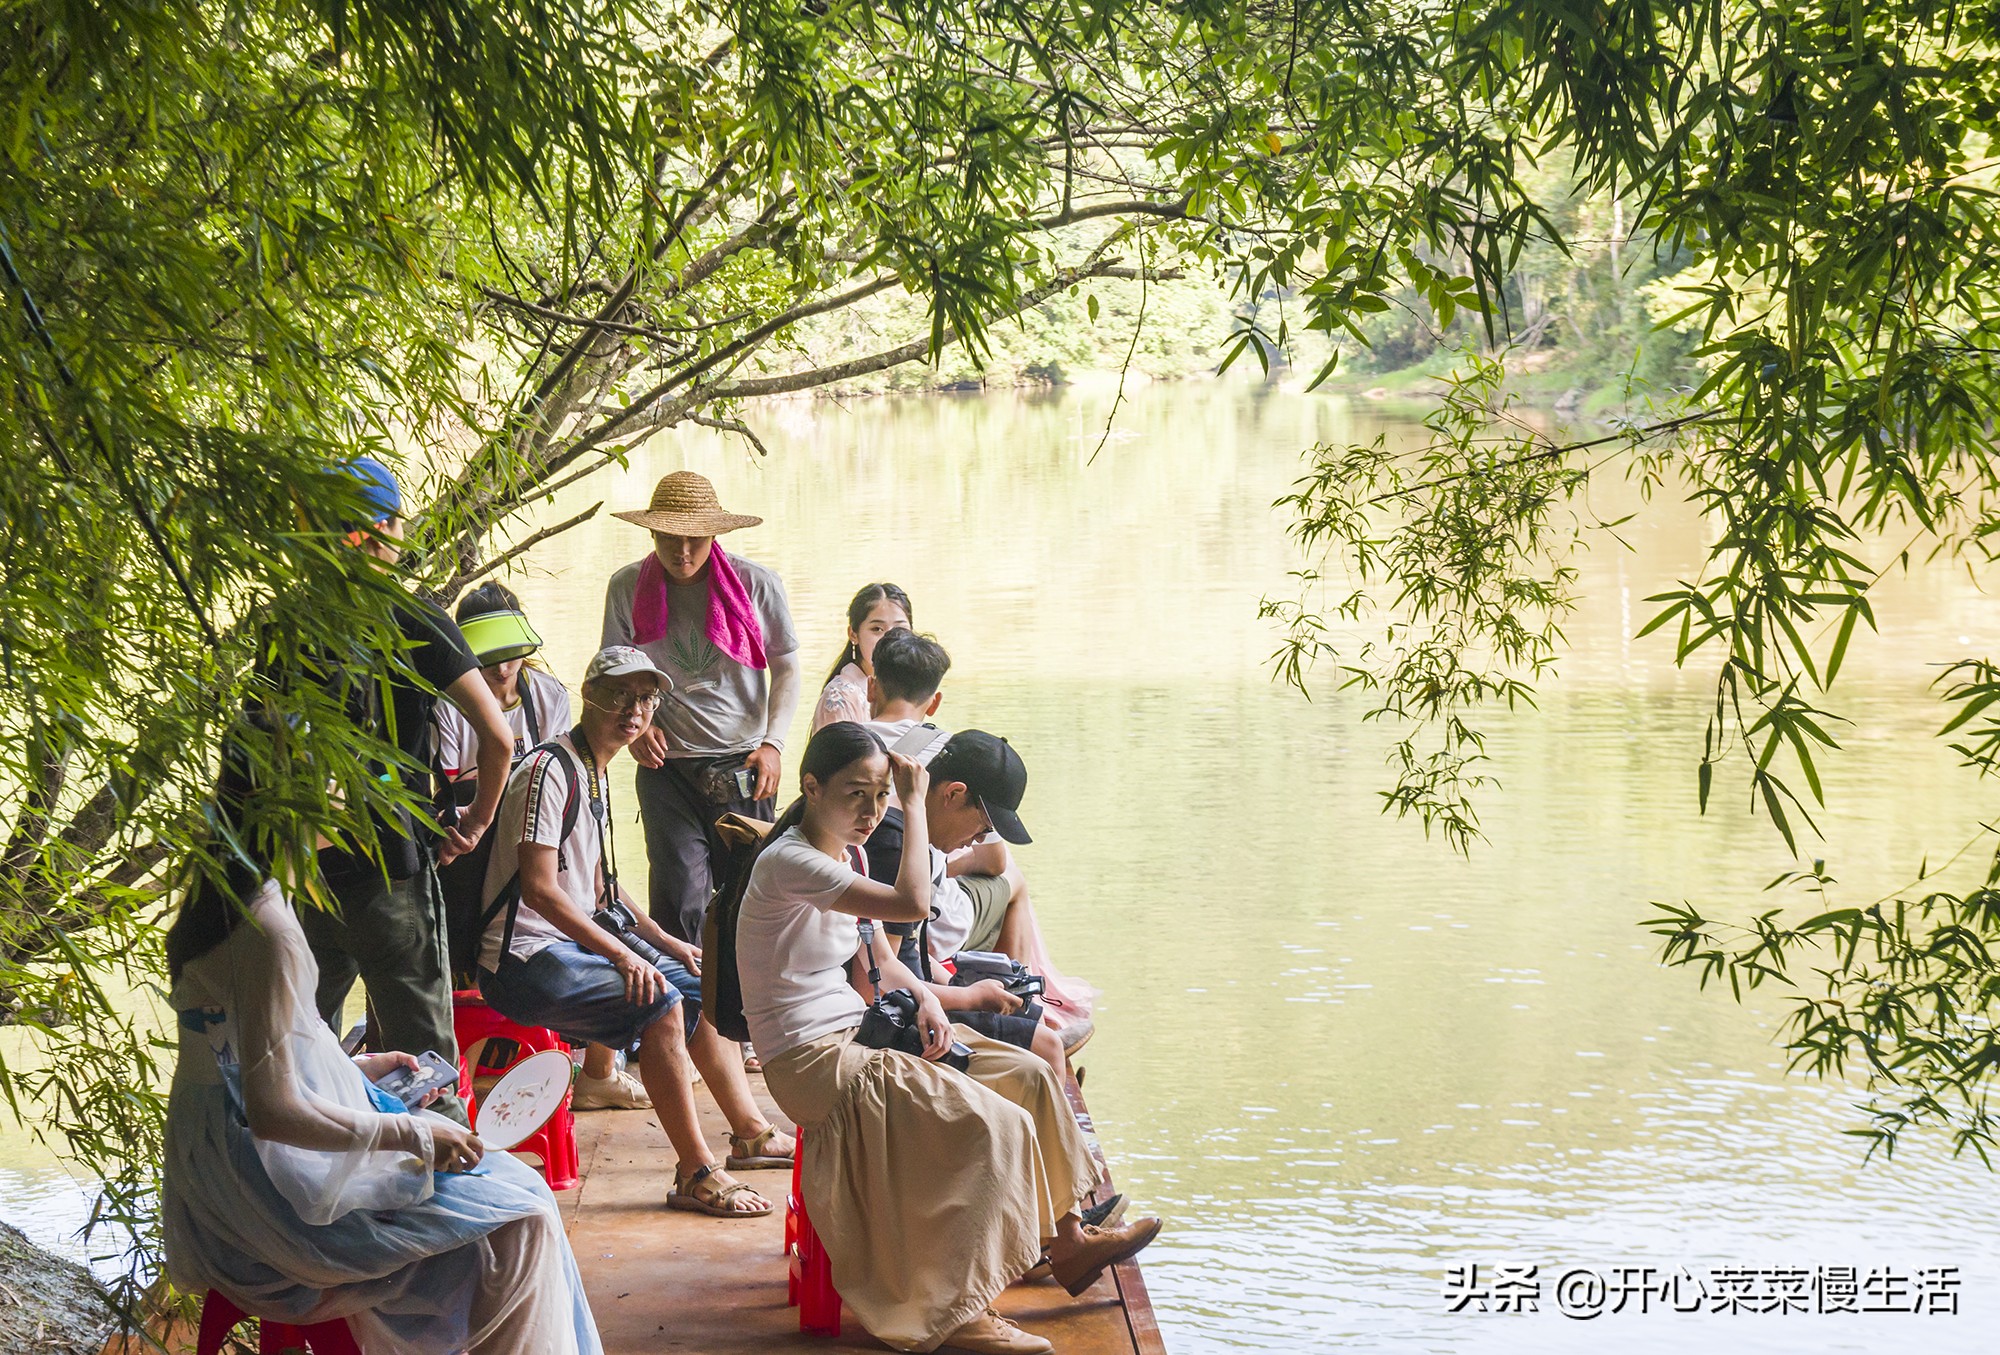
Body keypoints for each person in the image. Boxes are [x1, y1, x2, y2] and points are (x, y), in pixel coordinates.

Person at [733, 722, 1161, 1355]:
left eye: (881, 796)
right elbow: (912, 904)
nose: (871, 812)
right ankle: (959, 1310)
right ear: (812, 787)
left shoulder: (849, 856)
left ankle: (1066, 1242)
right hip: (811, 1058)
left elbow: (878, 959)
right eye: (857, 795)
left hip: (857, 1034)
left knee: (1029, 1077)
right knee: (997, 1125)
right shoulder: (791, 862)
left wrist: (929, 998)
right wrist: (912, 802)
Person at [162, 847, 602, 1353]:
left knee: (521, 1196)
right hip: (258, 1189)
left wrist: (359, 1069)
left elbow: (245, 1059)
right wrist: (414, 1133)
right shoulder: (269, 929)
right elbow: (272, 1113)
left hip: (227, 1156)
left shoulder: (223, 896)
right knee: (522, 1221)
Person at [477, 646, 796, 1216]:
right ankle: (695, 1171)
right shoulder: (549, 771)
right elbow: (540, 891)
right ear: (588, 694)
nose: (634, 710)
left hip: (569, 943)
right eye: (619, 695)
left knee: (701, 984)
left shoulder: (593, 771)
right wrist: (626, 957)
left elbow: (603, 888)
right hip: (524, 956)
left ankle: (751, 1134)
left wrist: (667, 944)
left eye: (646, 699)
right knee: (661, 1004)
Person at [302, 455, 513, 1125]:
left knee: (302, 1056)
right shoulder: (414, 616)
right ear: (391, 527)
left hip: (305, 874)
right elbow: (498, 737)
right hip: (391, 870)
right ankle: (448, 1173)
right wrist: (475, 823)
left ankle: (315, 1177)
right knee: (428, 1071)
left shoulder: (294, 621)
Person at [436, 583, 651, 1113]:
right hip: (469, 840)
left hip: (536, 828)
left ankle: (599, 1070)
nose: (502, 667)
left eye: (511, 653)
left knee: (600, 906)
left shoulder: (548, 694)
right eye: (489, 655)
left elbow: (563, 767)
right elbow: (448, 784)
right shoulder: (448, 701)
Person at [600, 471, 801, 947]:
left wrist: (773, 744)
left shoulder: (755, 584)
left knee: (749, 897)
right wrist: (637, 726)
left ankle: (743, 992)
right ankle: (685, 991)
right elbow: (614, 671)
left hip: (744, 765)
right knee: (679, 900)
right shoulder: (627, 586)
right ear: (652, 533)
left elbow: (787, 667)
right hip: (666, 766)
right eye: (670, 538)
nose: (683, 551)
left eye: (696, 539)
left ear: (716, 535)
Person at [811, 582, 912, 732]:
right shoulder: (841, 697)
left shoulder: (908, 686)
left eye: (900, 629)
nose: (891, 639)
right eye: (877, 629)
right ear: (853, 634)